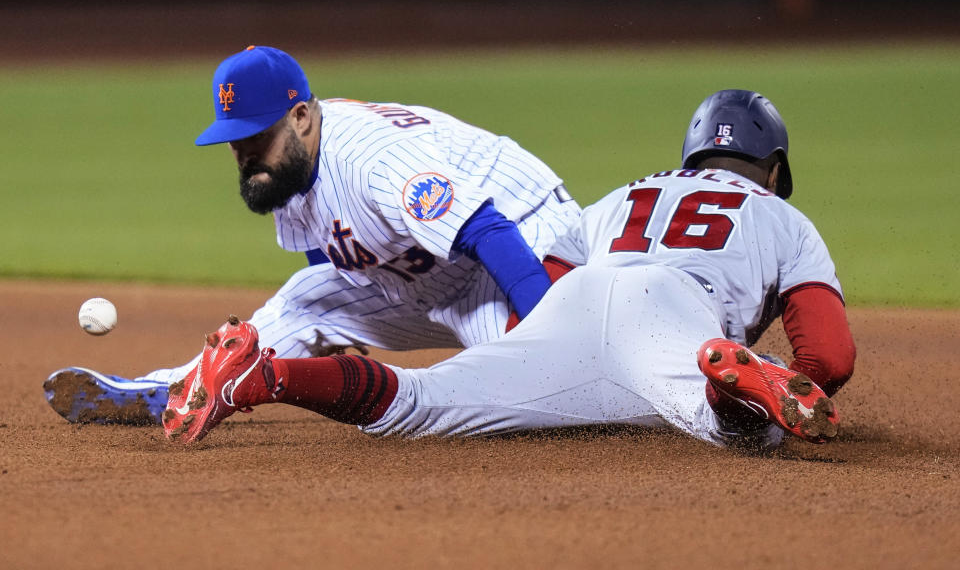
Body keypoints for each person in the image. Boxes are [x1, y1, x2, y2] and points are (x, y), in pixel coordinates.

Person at [161, 89, 856, 449]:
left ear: (690, 153)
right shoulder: (784, 219)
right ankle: (728, 385)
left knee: (424, 401)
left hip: (581, 295)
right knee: (749, 430)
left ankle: (270, 375)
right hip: (678, 319)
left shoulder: (628, 193)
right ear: (774, 169)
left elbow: (557, 270)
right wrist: (813, 382)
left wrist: (534, 346)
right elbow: (830, 354)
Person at [43, 45, 581, 426]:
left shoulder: (373, 160)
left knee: (545, 398)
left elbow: (488, 231)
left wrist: (550, 334)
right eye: (235, 141)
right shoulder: (291, 166)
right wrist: (339, 325)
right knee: (307, 299)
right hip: (433, 278)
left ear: (301, 116)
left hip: (519, 253)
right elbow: (325, 250)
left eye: (257, 137)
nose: (246, 154)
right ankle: (183, 389)